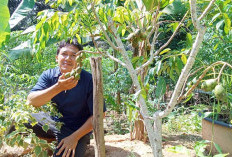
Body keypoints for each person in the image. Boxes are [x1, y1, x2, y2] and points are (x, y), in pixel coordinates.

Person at [27, 38, 106, 157]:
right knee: (22, 118)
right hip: (54, 123)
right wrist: (58, 87)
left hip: (77, 128)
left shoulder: (89, 80)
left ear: (80, 60)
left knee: (64, 154)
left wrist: (74, 137)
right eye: (64, 54)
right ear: (57, 57)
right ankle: (54, 138)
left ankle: (80, 140)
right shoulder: (49, 75)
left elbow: (99, 114)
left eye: (73, 55)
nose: (68, 58)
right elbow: (31, 101)